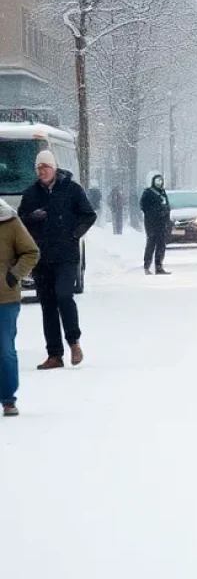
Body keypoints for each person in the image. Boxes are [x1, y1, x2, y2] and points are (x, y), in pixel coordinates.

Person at [18, 151, 96, 370]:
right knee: (48, 305)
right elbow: (19, 222)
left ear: (54, 168)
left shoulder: (71, 190)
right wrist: (31, 218)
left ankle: (74, 343)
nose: (42, 171)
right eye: (39, 168)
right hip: (41, 258)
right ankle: (54, 354)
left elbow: (89, 215)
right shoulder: (31, 194)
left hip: (66, 256)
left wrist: (74, 233)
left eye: (46, 167)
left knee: (64, 295)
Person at [0, 197, 40, 417]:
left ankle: (7, 399)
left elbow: (31, 252)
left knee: (4, 351)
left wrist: (13, 276)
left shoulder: (9, 221)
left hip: (4, 298)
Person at [140, 172, 172, 276]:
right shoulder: (148, 193)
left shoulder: (163, 193)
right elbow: (143, 206)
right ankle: (146, 266)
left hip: (162, 223)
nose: (159, 183)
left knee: (161, 245)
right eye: (157, 181)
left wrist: (166, 214)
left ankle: (159, 267)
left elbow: (167, 205)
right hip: (151, 223)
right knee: (151, 244)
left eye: (161, 181)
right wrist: (156, 211)